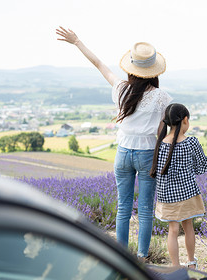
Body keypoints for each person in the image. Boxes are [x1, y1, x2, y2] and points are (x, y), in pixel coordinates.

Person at [56, 27, 172, 260]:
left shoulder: (120, 89)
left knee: (123, 207)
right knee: (146, 209)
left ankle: (121, 257)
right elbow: (162, 133)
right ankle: (140, 256)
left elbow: (98, 64)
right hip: (147, 154)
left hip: (122, 153)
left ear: (131, 68)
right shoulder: (162, 97)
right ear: (153, 72)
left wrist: (77, 41)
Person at [150, 103, 207, 268]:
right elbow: (203, 163)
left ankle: (175, 266)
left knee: (173, 231)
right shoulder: (191, 142)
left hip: (166, 196)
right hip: (188, 193)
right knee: (189, 227)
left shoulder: (160, 144)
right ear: (185, 120)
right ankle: (191, 263)